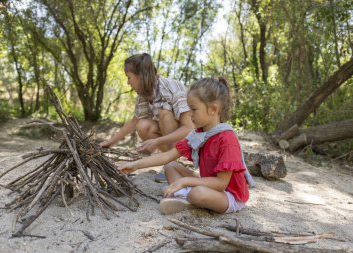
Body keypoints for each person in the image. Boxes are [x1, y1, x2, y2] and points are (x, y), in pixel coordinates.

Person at [118, 77, 253, 215]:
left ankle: (187, 198)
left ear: (213, 109)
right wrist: (135, 165)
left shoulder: (227, 139)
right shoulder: (198, 135)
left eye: (193, 109)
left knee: (198, 193)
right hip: (211, 186)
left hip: (228, 195)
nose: (189, 114)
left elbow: (221, 184)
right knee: (170, 166)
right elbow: (166, 156)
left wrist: (185, 182)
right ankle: (184, 199)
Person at [99, 53, 193, 182]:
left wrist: (157, 142)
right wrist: (111, 142)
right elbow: (134, 122)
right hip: (177, 140)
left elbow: (189, 128)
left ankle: (172, 163)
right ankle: (170, 160)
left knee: (164, 111)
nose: (128, 82)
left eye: (129, 77)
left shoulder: (169, 87)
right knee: (143, 125)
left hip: (193, 138)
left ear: (141, 76)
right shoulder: (145, 94)